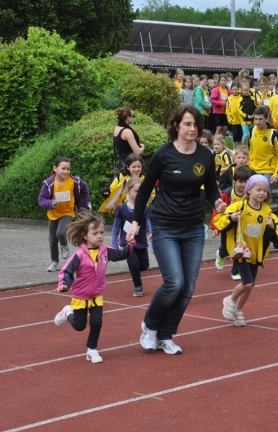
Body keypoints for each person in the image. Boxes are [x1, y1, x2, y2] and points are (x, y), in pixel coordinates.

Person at [126, 105, 227, 355]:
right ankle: (149, 326)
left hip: (193, 228)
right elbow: (146, 189)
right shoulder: (163, 154)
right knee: (174, 283)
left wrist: (216, 202)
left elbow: (211, 187)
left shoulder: (206, 155)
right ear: (176, 126)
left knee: (188, 287)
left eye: (196, 125)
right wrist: (137, 222)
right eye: (187, 124)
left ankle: (166, 335)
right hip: (165, 227)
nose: (192, 129)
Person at [54, 211, 134, 364]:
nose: (99, 236)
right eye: (95, 233)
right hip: (80, 296)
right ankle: (67, 312)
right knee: (79, 326)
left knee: (96, 322)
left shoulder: (105, 251)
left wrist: (131, 245)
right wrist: (63, 285)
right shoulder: (79, 255)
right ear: (84, 235)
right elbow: (67, 271)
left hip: (97, 294)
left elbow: (121, 255)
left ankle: (92, 350)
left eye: (102, 232)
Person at [216, 175, 278, 326]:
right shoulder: (239, 206)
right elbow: (219, 221)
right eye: (258, 189)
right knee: (247, 283)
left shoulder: (266, 210)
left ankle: (238, 310)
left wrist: (273, 227)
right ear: (249, 189)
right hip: (241, 251)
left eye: (265, 191)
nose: (262, 193)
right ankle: (231, 300)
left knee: (250, 285)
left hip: (256, 252)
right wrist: (232, 218)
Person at [38, 157, 90, 272]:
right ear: (55, 168)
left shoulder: (74, 181)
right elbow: (41, 199)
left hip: (67, 212)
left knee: (61, 233)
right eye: (63, 168)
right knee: (52, 240)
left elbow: (85, 189)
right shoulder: (49, 183)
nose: (66, 171)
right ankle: (54, 262)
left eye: (68, 169)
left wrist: (82, 208)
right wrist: (51, 203)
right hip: (53, 213)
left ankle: (64, 245)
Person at [112, 177, 151, 297]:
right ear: (128, 191)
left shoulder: (145, 209)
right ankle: (138, 286)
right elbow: (116, 227)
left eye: (141, 191)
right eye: (136, 191)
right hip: (128, 243)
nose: (139, 194)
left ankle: (136, 271)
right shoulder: (122, 208)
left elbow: (150, 223)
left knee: (144, 266)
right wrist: (114, 244)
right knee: (133, 263)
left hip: (141, 243)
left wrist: (152, 233)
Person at [213, 165, 253, 280]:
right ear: (234, 181)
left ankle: (236, 271)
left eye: (246, 182)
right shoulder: (227, 194)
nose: (243, 185)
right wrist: (216, 228)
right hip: (228, 224)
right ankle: (220, 254)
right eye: (240, 181)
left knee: (239, 247)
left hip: (243, 225)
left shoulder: (250, 194)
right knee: (227, 248)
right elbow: (217, 211)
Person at [247, 106, 278, 192]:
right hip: (253, 169)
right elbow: (250, 150)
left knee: (264, 198)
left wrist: (276, 175)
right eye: (255, 119)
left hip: (268, 171)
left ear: (266, 119)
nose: (257, 122)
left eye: (260, 119)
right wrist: (248, 164)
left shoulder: (273, 134)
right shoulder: (251, 131)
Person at [226, 81, 243, 148]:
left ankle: (239, 148)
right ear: (231, 90)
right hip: (233, 121)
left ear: (238, 89)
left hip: (240, 120)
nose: (235, 91)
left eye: (236, 89)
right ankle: (234, 148)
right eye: (233, 89)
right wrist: (229, 118)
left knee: (240, 135)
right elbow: (227, 110)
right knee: (235, 135)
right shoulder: (229, 98)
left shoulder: (241, 98)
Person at [239, 83, 257, 147]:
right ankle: (242, 147)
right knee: (245, 134)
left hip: (252, 120)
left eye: (247, 90)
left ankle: (250, 148)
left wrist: (253, 115)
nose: (245, 91)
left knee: (251, 135)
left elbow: (256, 107)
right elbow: (239, 110)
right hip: (244, 120)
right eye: (244, 90)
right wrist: (246, 116)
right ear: (241, 90)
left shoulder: (252, 98)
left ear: (249, 90)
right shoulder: (240, 99)